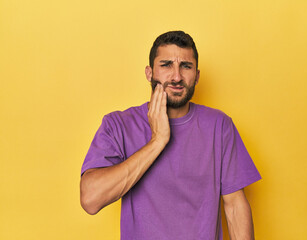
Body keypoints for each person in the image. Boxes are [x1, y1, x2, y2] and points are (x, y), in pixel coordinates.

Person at [80, 31, 261, 240]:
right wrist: (158, 141)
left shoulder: (219, 126)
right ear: (149, 73)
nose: (176, 76)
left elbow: (235, 206)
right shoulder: (118, 125)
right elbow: (91, 200)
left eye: (186, 66)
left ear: (197, 75)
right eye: (166, 65)